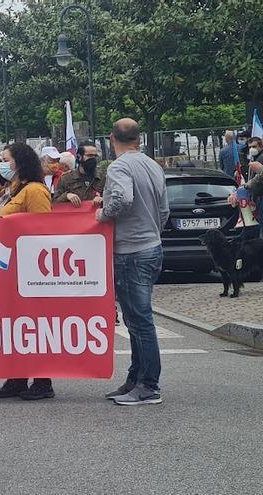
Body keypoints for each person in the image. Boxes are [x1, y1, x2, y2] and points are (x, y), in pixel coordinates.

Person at [97, 118, 169, 406]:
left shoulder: (119, 166)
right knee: (136, 319)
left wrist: (103, 214)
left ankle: (148, 385)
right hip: (151, 246)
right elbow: (163, 209)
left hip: (131, 251)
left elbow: (123, 198)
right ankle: (136, 379)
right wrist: (152, 231)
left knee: (139, 321)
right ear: (138, 138)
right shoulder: (153, 165)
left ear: (112, 138)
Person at [0, 143, 54, 400]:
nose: (1, 164)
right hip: (8, 268)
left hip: (28, 268)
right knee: (14, 325)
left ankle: (42, 379)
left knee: (34, 324)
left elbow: (42, 229)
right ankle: (17, 376)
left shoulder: (35, 191)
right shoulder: (11, 190)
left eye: (5, 159)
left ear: (20, 162)